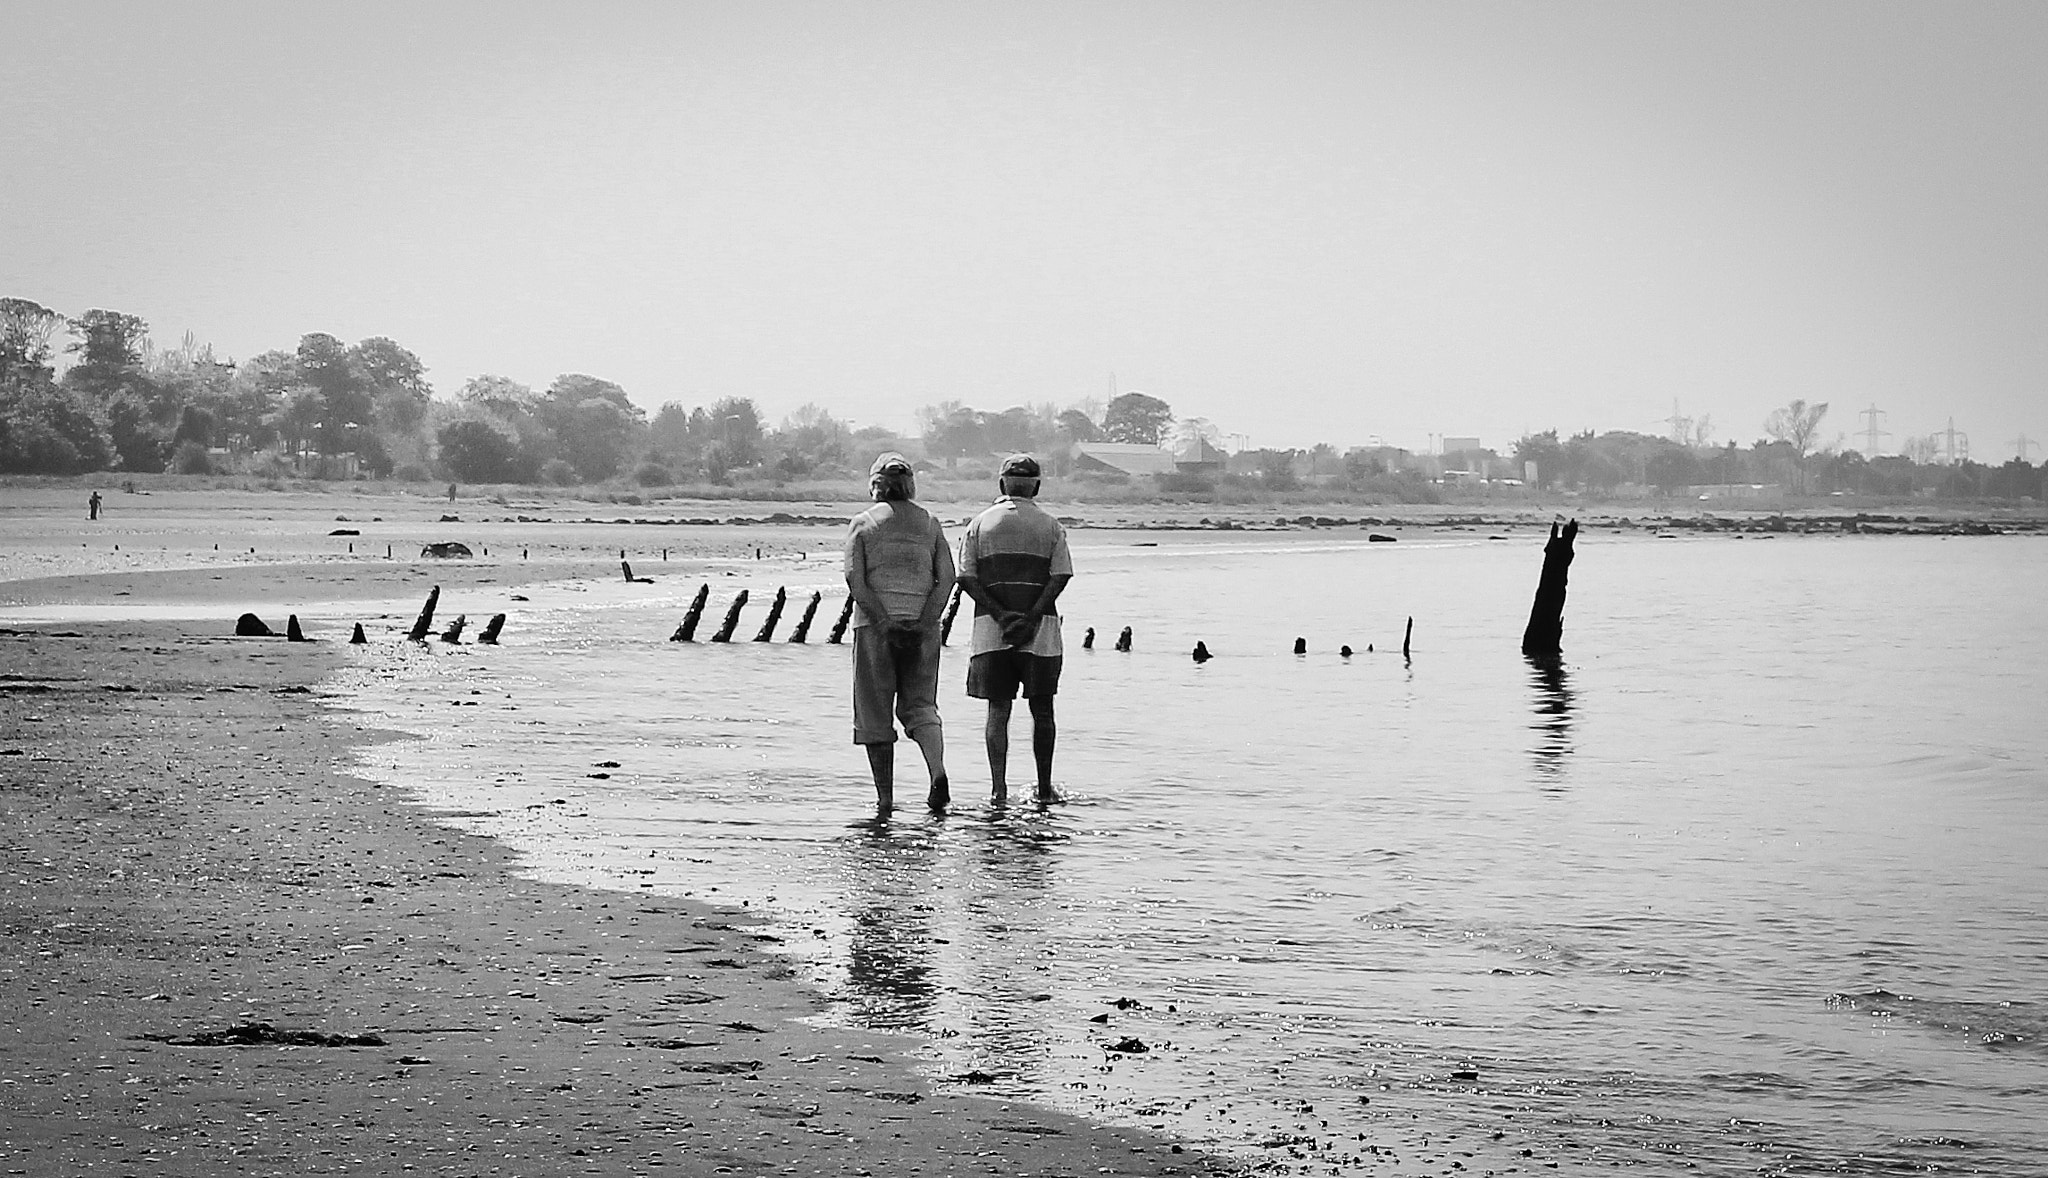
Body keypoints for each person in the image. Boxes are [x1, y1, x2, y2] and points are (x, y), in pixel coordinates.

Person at [956, 454, 1073, 804]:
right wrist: (1031, 616)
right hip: (1041, 634)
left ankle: (998, 789)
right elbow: (1060, 575)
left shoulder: (979, 524)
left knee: (998, 711)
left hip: (992, 633)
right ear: (1035, 486)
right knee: (1043, 711)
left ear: (1001, 485)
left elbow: (966, 577)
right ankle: (1044, 787)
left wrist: (1001, 616)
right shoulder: (1051, 526)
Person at [844, 453, 954, 811]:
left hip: (875, 630)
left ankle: (886, 801)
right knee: (922, 707)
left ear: (876, 485)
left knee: (874, 714)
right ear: (910, 484)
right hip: (922, 629)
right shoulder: (929, 522)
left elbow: (855, 580)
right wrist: (926, 622)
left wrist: (884, 621)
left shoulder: (862, 523)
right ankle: (937, 772)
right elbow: (947, 578)